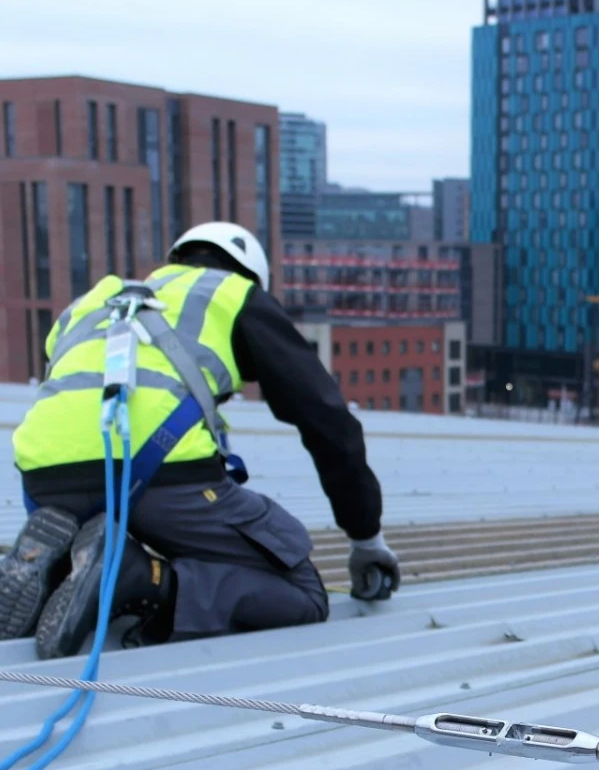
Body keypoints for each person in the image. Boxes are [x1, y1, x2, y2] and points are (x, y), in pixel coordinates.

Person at [0, 222, 401, 658]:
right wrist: (366, 538)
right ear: (250, 274)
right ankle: (140, 577)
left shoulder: (90, 302)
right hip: (156, 473)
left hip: (42, 480)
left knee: (100, 535)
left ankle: (57, 572)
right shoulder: (234, 294)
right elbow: (326, 420)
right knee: (299, 591)